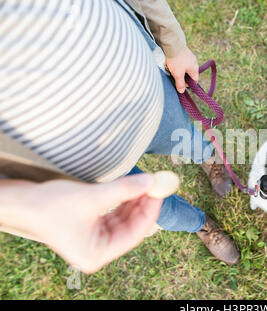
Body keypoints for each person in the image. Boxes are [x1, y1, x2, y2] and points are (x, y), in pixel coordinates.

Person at [0, 0, 239, 274]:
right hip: (77, 170)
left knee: (184, 135)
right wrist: (24, 208)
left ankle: (208, 159)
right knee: (158, 211)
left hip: (142, 88)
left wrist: (173, 43)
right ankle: (201, 224)